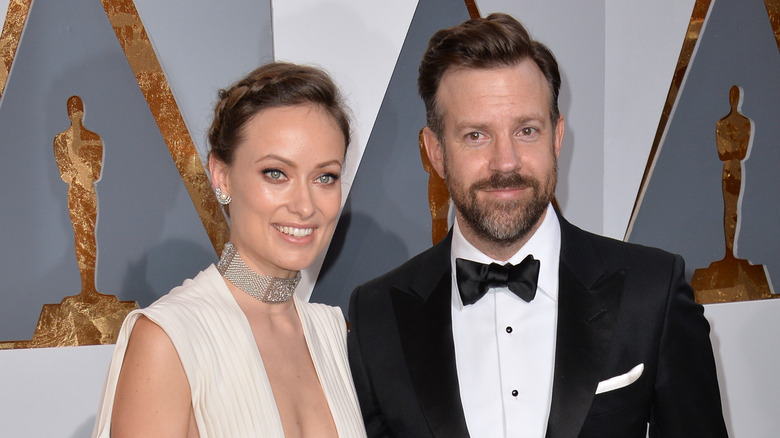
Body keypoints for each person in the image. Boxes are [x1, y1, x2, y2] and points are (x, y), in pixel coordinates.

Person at [347, 13, 728, 438]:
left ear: (557, 137)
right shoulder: (377, 316)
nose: (505, 162)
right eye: (476, 135)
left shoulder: (651, 291)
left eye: (526, 130)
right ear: (435, 152)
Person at [93, 62, 367, 438]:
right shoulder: (168, 339)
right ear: (221, 176)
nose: (305, 205)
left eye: (325, 177)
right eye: (276, 173)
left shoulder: (334, 333)